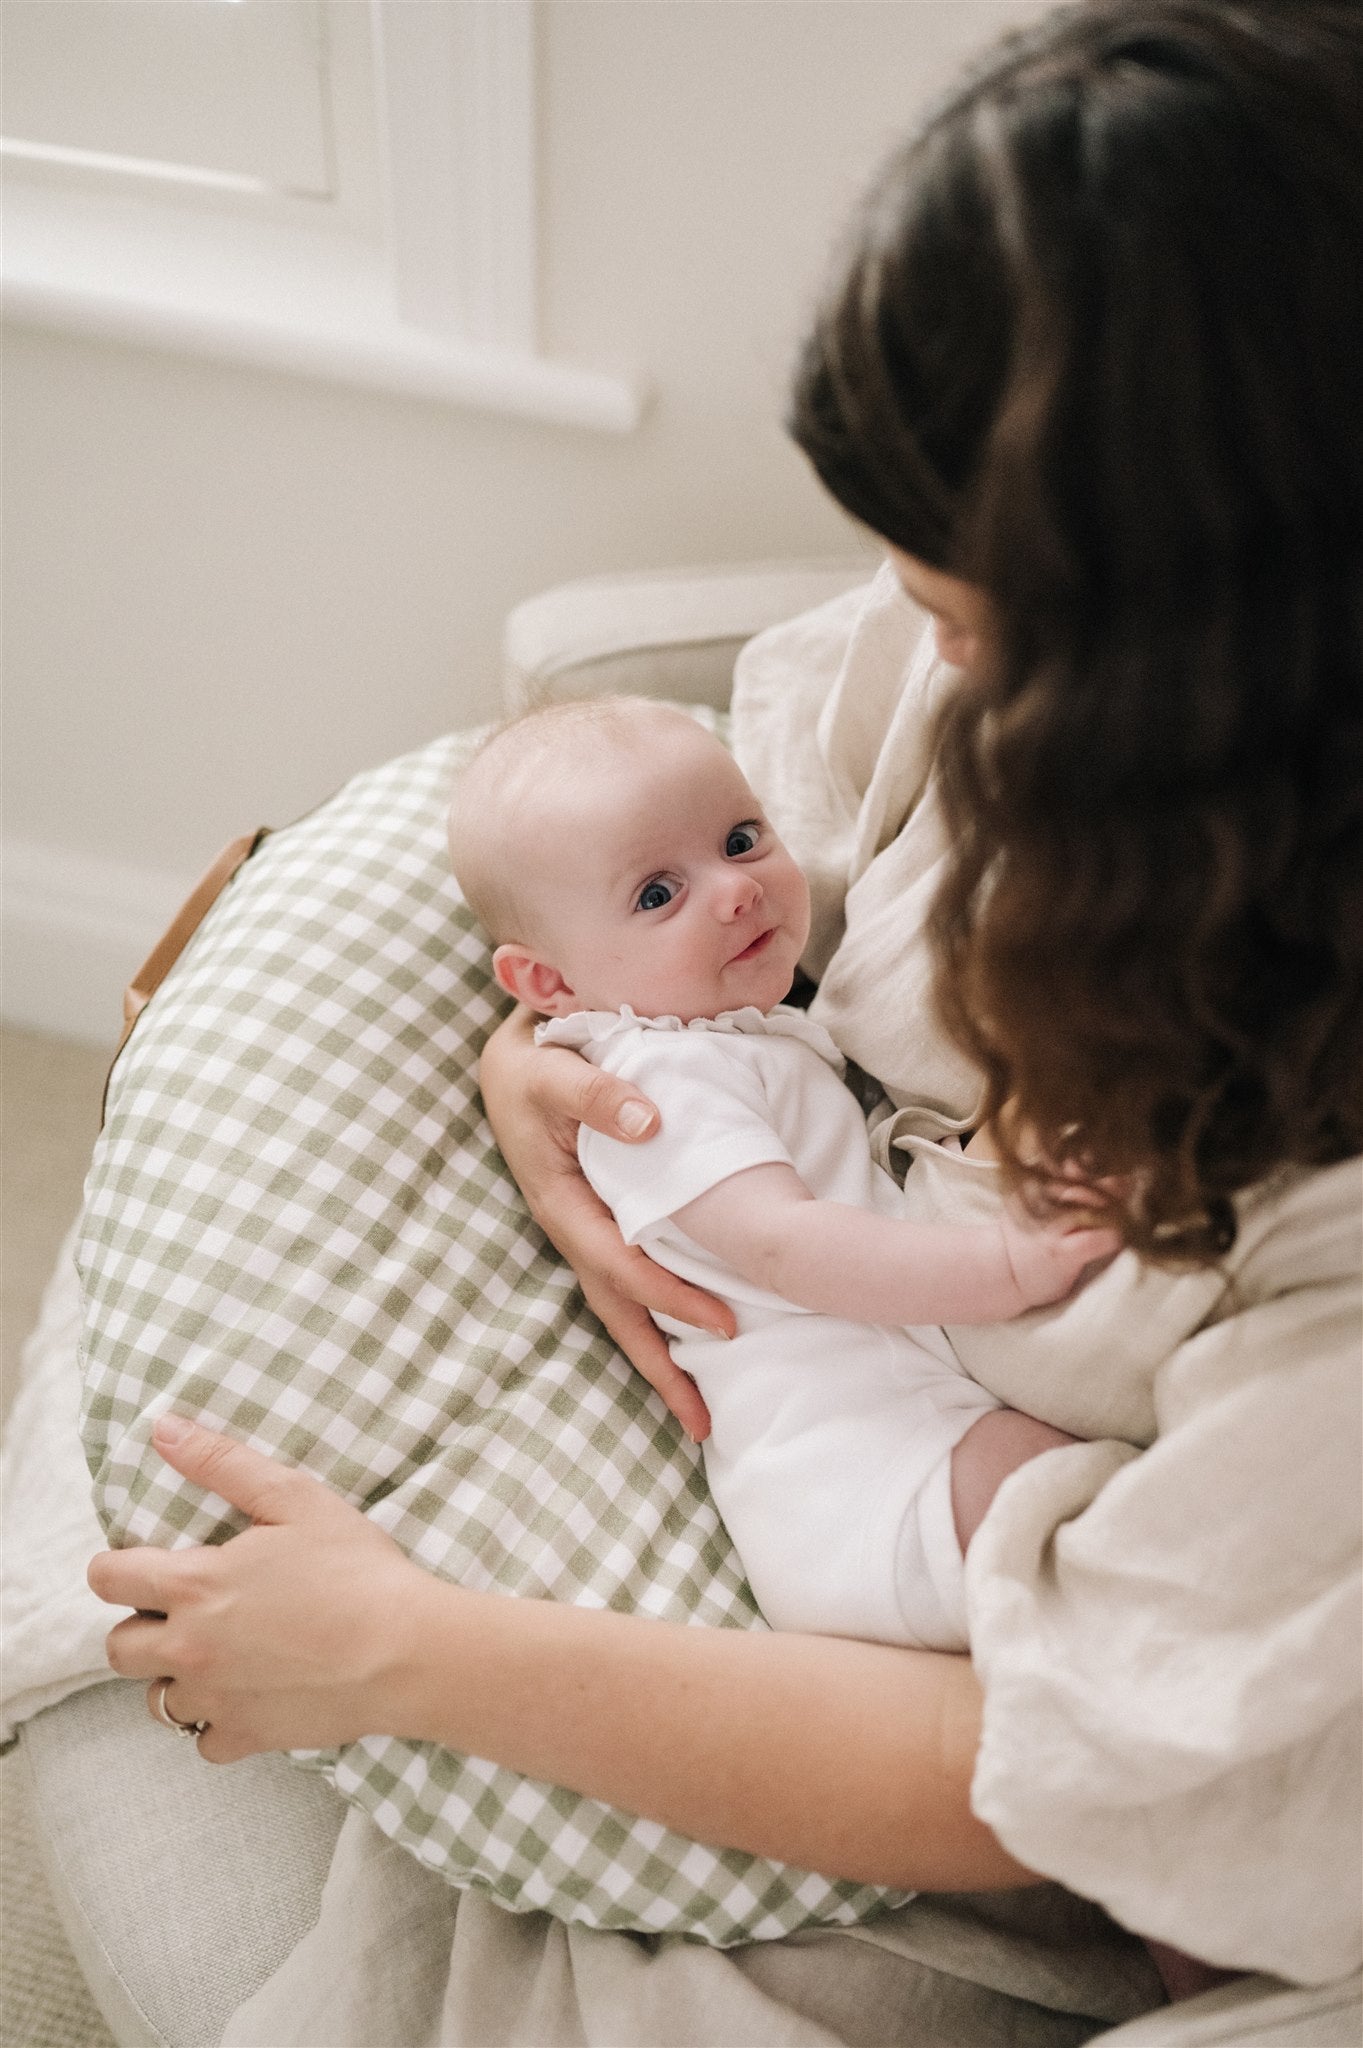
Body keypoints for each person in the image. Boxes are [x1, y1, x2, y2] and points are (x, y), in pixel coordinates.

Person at [86, 1, 1361, 2040]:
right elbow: (718, 879)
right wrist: (556, 1074)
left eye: (959, 618)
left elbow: (1026, 1762)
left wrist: (411, 1647)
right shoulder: (942, 690)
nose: (904, 635)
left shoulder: (1320, 1324)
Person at [449, 694, 1117, 1652]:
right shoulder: (656, 1080)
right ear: (548, 986)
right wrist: (1010, 1265)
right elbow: (783, 1245)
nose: (736, 891)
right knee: (1100, 1516)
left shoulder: (725, 1034)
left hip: (905, 1448)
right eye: (656, 894)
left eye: (740, 837)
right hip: (863, 1486)